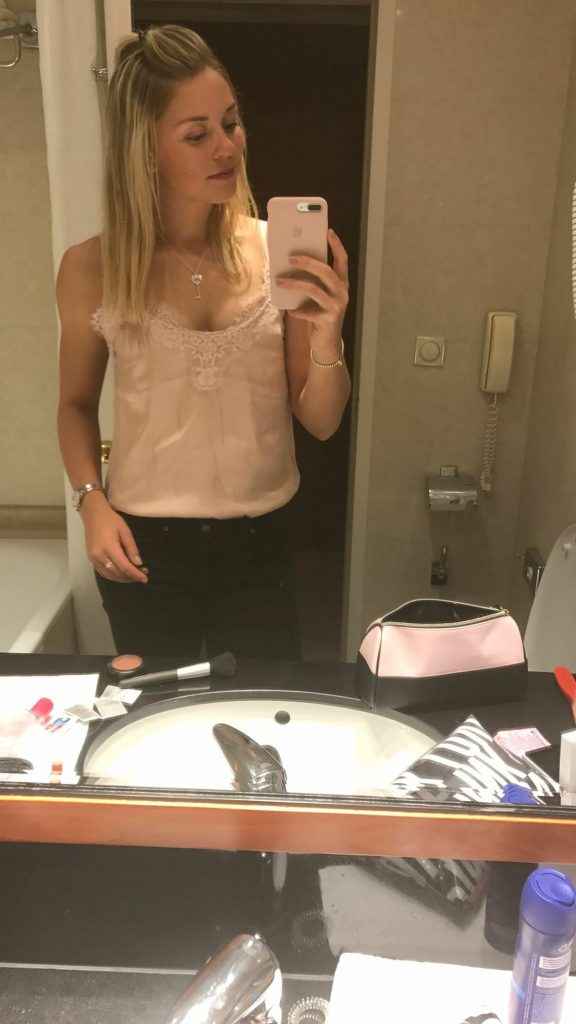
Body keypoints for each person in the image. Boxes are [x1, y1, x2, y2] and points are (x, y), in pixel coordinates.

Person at [56, 24, 351, 662]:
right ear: (144, 150)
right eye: (197, 135)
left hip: (261, 540)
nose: (227, 146)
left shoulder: (276, 249)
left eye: (231, 123)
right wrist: (90, 503)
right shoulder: (92, 267)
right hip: (143, 543)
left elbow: (321, 420)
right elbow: (74, 405)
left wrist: (328, 335)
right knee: (158, 716)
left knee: (265, 707)